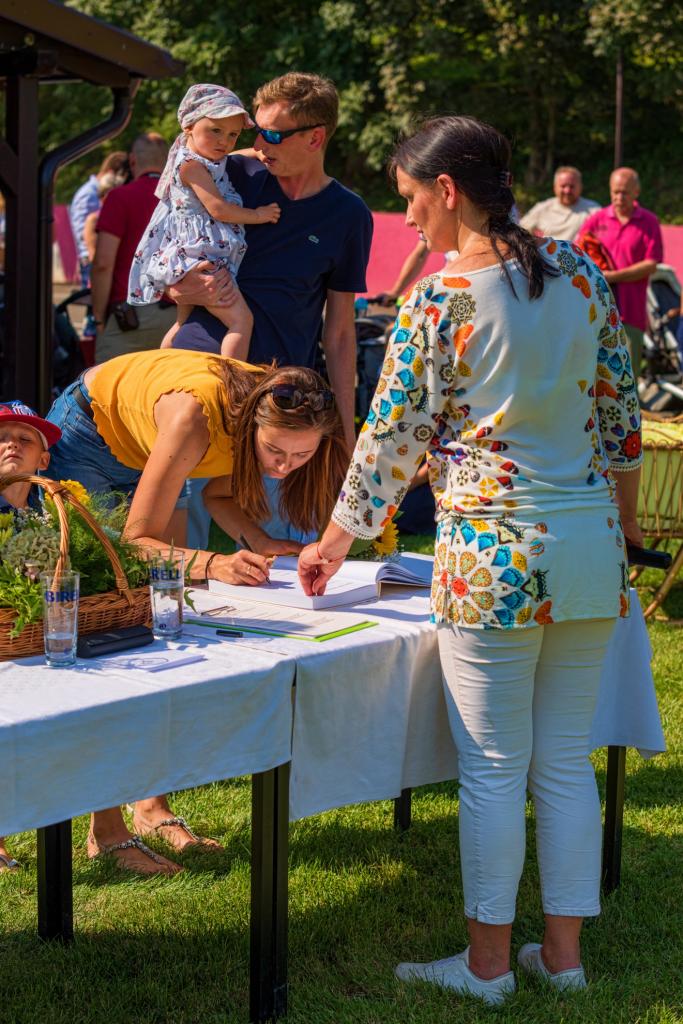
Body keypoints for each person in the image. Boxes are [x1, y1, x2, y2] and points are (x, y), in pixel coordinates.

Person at [298, 115, 642, 1004]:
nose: (409, 218)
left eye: (411, 199)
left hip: (490, 554)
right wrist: (621, 533)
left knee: (493, 767)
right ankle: (561, 961)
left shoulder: (439, 299)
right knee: (561, 762)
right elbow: (620, 423)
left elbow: (390, 438)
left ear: (446, 191)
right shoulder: (583, 274)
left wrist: (332, 543)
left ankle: (487, 968)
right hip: (586, 548)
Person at [45, 350, 347, 873]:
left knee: (161, 623)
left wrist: (258, 540)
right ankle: (107, 833)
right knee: (114, 620)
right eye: (274, 451)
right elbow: (138, 542)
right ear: (252, 424)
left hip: (149, 444)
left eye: (300, 456)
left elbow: (219, 495)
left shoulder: (272, 408)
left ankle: (150, 807)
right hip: (89, 435)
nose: (282, 467)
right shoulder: (194, 421)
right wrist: (212, 563)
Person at [168, 72, 373, 451]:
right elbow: (164, 250)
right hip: (193, 380)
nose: (260, 144)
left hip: (279, 403)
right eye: (257, 132)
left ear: (315, 138)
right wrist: (177, 289)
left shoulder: (348, 213)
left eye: (273, 135)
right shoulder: (231, 175)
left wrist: (346, 433)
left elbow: (341, 333)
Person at [129, 84, 280, 360]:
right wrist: (258, 215)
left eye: (233, 134)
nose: (224, 141)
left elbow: (228, 157)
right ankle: (231, 377)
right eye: (216, 130)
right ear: (189, 126)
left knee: (181, 323)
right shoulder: (191, 167)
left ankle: (161, 366)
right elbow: (218, 209)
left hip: (191, 255)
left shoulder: (199, 157)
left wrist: (255, 152)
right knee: (241, 322)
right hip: (201, 256)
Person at [0, 401, 62, 873]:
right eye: (2, 438)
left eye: (25, 439)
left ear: (44, 458)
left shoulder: (53, 515)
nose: (11, 445)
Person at [91, 133, 175, 364]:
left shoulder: (119, 197)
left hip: (129, 320)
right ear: (168, 160)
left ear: (132, 160)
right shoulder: (184, 198)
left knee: (104, 384)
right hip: (178, 318)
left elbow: (103, 264)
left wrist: (98, 318)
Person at [577, 167, 663, 375]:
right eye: (615, 192)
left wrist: (613, 277)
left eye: (624, 192)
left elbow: (651, 264)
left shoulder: (649, 222)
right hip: (598, 310)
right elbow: (579, 253)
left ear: (636, 192)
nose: (619, 197)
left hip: (631, 312)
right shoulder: (597, 220)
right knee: (594, 372)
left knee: (629, 375)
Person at [69, 151, 128, 286]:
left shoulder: (95, 191)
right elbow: (83, 233)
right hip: (92, 261)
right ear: (111, 172)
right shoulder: (88, 194)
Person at [521, 166, 599, 242]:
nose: (567, 190)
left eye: (572, 186)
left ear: (580, 187)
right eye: (563, 186)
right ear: (555, 187)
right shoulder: (542, 208)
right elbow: (521, 232)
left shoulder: (593, 210)